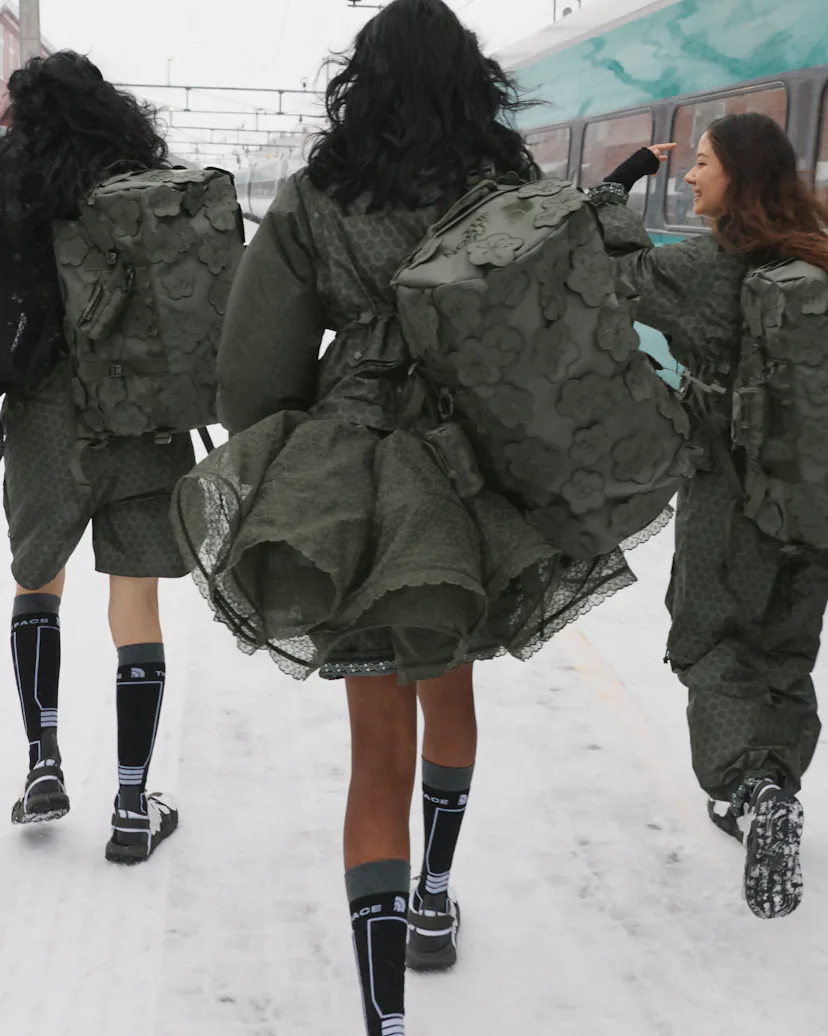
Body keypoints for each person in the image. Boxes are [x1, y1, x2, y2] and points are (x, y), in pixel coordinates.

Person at [171, 0, 677, 1030]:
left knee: (376, 753)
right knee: (450, 686)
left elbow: (254, 375)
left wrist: (290, 460)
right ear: (470, 83)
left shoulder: (319, 195)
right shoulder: (507, 180)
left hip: (361, 479)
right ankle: (437, 895)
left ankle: (384, 1016)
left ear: (362, 84)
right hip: (481, 467)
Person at [590, 114, 828, 919]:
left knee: (716, 642)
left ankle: (752, 789)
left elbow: (605, 263)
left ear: (740, 178)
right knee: (786, 648)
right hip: (814, 498)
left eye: (701, 163)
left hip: (731, 500)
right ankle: (777, 785)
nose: (690, 177)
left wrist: (620, 183)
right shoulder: (817, 258)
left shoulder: (703, 269)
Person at [0, 52, 188, 861]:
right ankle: (132, 805)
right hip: (141, 418)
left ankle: (43, 762)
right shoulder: (146, 181)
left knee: (37, 581)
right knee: (136, 604)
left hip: (44, 414)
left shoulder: (12, 185)